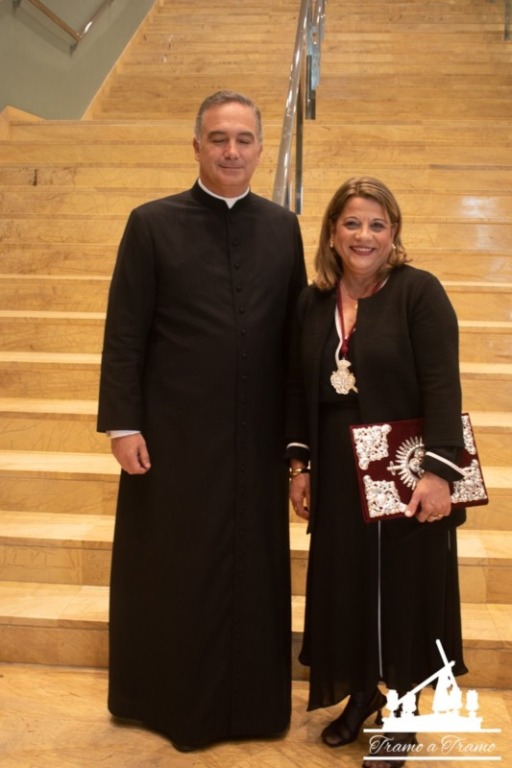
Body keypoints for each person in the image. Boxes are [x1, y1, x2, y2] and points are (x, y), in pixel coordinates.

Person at [97, 90, 307, 751]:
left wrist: (298, 444)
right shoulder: (151, 223)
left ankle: (254, 709)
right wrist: (123, 424)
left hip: (255, 440)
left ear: (261, 149)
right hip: (174, 438)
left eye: (244, 139)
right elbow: (125, 331)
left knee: (252, 571)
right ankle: (167, 703)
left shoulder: (283, 228)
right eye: (219, 138)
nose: (231, 151)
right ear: (196, 146)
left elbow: (296, 339)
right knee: (175, 572)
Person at [285, 177, 468, 768]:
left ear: (393, 234)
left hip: (404, 467)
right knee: (348, 585)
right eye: (352, 223)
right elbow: (297, 389)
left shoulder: (419, 292)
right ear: (331, 232)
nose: (363, 235)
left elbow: (442, 384)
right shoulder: (313, 301)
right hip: (339, 470)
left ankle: (405, 708)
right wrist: (300, 465)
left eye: (376, 224)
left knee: (405, 591)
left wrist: (438, 473)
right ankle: (362, 693)